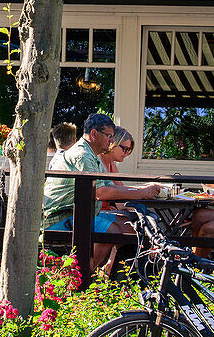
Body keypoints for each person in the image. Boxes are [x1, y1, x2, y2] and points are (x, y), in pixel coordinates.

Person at [43, 113, 160, 269]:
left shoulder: (92, 154)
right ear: (94, 134)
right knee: (112, 232)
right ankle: (79, 277)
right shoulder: (82, 154)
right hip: (61, 216)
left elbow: (110, 186)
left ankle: (109, 274)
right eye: (109, 136)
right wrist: (141, 193)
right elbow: (101, 192)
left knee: (129, 227)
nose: (111, 141)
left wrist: (144, 189)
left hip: (79, 213)